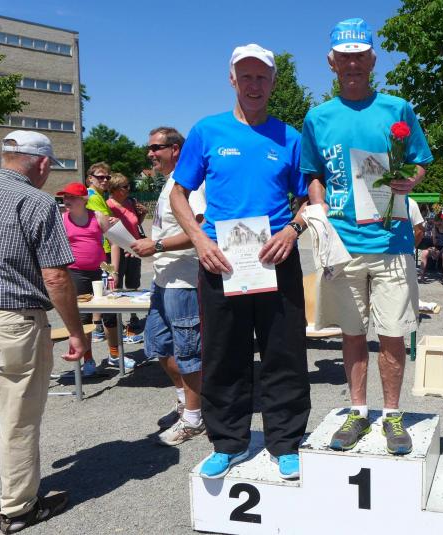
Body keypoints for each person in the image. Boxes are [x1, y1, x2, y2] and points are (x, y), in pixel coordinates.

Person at [170, 44, 310, 479]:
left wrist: (293, 230)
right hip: (221, 261)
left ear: (273, 82)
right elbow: (178, 193)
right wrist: (199, 240)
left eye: (262, 76)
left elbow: (309, 199)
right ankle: (228, 442)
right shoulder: (207, 131)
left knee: (283, 353)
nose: (254, 84)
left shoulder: (290, 137)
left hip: (276, 257)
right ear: (232, 79)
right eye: (245, 76)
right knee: (223, 353)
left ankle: (285, 442)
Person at [301, 18, 433, 455]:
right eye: (345, 56)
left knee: (393, 333)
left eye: (360, 55)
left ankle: (392, 415)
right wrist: (319, 210)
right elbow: (313, 174)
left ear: (373, 60)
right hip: (343, 245)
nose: (353, 63)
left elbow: (420, 161)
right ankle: (358, 411)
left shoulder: (398, 108)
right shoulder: (318, 117)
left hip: (392, 242)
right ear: (332, 62)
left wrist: (410, 181)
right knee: (352, 333)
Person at [0, 131, 88, 532]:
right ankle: (17, 508)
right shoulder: (37, 201)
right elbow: (56, 277)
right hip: (15, 321)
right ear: (42, 163)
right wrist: (76, 331)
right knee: (19, 418)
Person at [131, 127, 207, 446]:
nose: (150, 153)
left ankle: (194, 417)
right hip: (163, 280)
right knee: (159, 346)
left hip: (184, 281)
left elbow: (201, 228)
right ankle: (184, 403)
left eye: (155, 148)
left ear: (175, 149)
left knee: (188, 352)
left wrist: (158, 245)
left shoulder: (192, 183)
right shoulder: (169, 182)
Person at [58, 182, 113, 376]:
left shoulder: (97, 216)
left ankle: (115, 355)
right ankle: (87, 360)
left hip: (100, 271)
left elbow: (114, 242)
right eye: (65, 197)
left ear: (83, 200)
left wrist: (113, 270)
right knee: (83, 318)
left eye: (71, 197)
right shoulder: (62, 219)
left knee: (111, 313)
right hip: (76, 273)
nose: (66, 200)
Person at [85, 163, 132, 367]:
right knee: (106, 305)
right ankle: (100, 357)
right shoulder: (92, 197)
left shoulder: (99, 197)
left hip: (102, 256)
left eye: (107, 177)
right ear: (90, 178)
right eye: (100, 177)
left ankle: (110, 355)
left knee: (106, 305)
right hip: (99, 257)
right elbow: (107, 231)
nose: (105, 180)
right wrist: (114, 270)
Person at [106, 173, 146, 343]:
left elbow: (135, 223)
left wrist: (142, 214)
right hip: (116, 249)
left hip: (134, 247)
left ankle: (133, 316)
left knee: (133, 284)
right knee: (115, 284)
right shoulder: (108, 205)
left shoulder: (131, 202)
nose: (129, 189)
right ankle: (115, 321)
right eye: (125, 186)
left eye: (128, 185)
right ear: (114, 189)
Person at [419, 215, 443, 283]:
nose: (437, 225)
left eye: (439, 224)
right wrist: (434, 250)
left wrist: (440, 252)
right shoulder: (434, 229)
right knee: (424, 252)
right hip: (437, 248)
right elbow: (434, 243)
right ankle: (421, 276)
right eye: (436, 224)